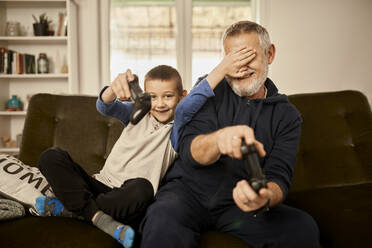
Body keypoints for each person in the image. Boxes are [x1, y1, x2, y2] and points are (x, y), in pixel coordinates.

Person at [34, 50, 255, 247]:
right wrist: (113, 89)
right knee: (51, 156)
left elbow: (197, 97)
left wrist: (223, 68)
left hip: (129, 198)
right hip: (98, 184)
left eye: (168, 96)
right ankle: (91, 214)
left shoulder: (179, 128)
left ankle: (73, 210)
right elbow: (105, 106)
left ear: (182, 96)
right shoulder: (137, 113)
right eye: (152, 97)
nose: (159, 104)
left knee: (143, 188)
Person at [140, 21, 320, 248]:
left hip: (238, 205)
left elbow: (279, 178)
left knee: (302, 227)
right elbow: (188, 149)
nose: (241, 67)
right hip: (186, 194)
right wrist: (219, 140)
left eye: (249, 56)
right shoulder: (209, 89)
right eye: (234, 58)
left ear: (270, 54)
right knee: (162, 218)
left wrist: (264, 196)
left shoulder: (287, 115)